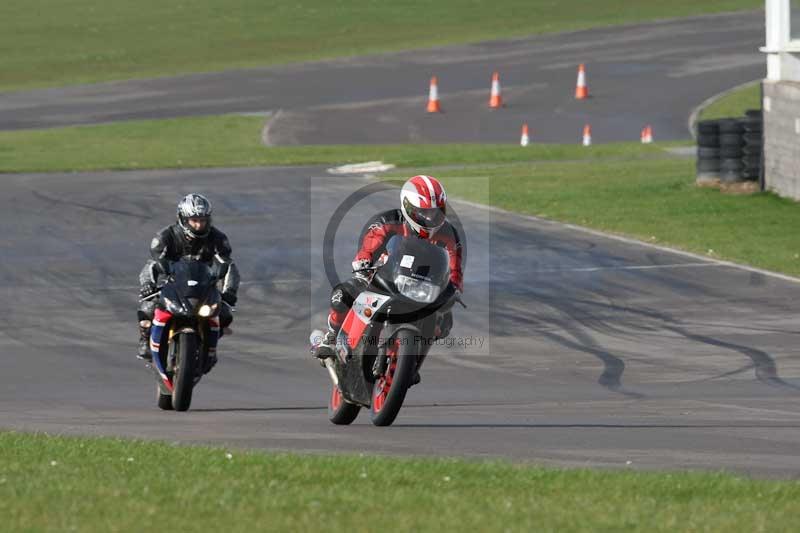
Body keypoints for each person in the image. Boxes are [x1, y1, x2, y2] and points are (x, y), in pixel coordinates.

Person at [316, 175, 463, 360]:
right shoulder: (388, 221)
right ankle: (331, 336)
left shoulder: (449, 234)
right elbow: (370, 245)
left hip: (423, 287)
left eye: (435, 212)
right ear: (408, 207)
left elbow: (455, 268)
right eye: (424, 212)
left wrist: (454, 288)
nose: (430, 217)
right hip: (385, 277)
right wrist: (363, 263)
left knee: (442, 324)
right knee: (342, 295)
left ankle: (411, 362)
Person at [137, 193, 239, 367]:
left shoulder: (218, 238)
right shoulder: (165, 236)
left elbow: (228, 266)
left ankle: (209, 347)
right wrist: (148, 284)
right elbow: (152, 264)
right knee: (148, 307)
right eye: (194, 220)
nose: (199, 225)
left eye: (203, 220)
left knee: (225, 314)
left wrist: (229, 292)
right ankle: (145, 340)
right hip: (173, 285)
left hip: (204, 286)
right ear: (183, 219)